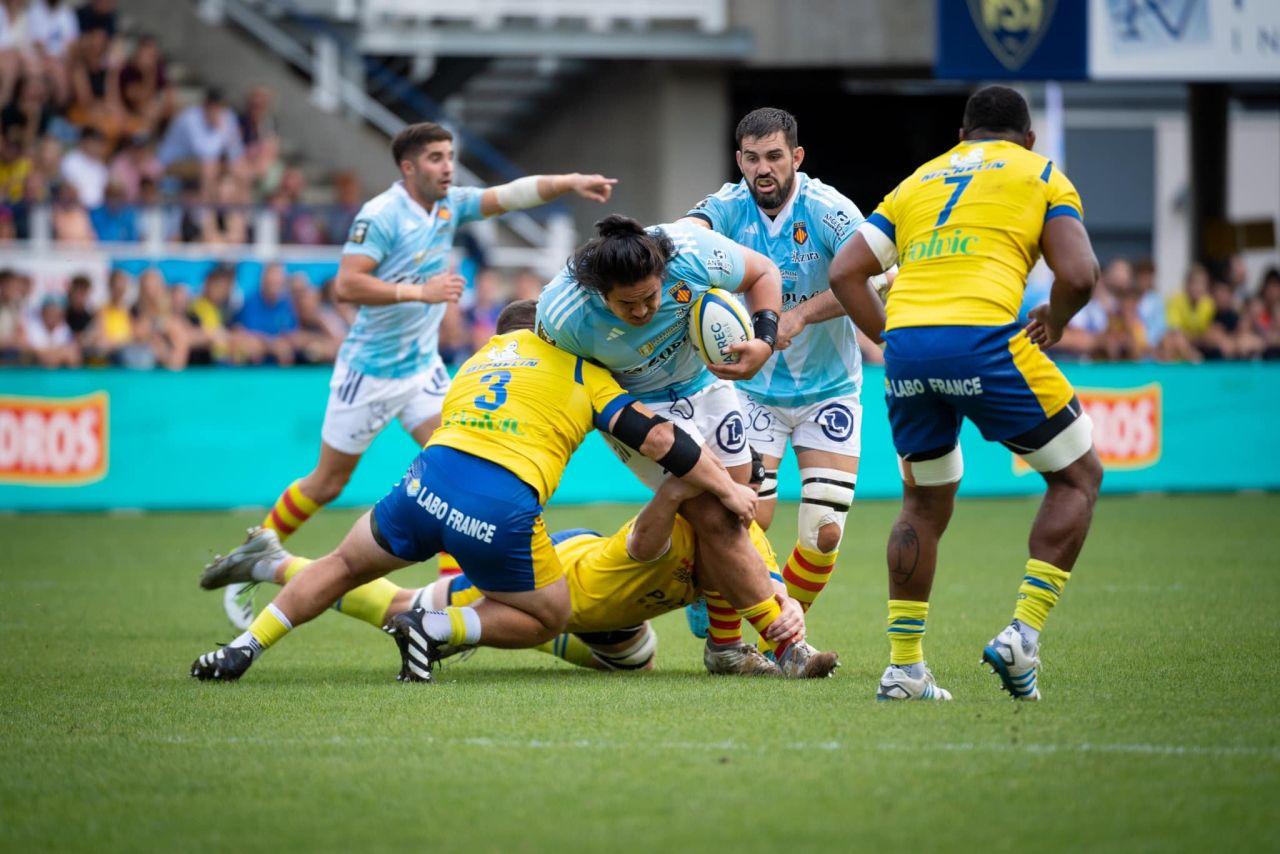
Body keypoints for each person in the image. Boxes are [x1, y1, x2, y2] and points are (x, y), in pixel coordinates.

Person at [189, 299, 759, 682]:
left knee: (342, 564)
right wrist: (730, 493)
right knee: (551, 615)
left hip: (425, 481)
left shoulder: (477, 362)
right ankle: (438, 629)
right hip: (499, 504)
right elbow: (660, 440)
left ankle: (244, 648)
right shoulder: (582, 370)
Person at [217, 121, 618, 629]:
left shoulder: (449, 205)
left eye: (449, 156)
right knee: (327, 482)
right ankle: (258, 547)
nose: (446, 166)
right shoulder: (382, 215)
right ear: (408, 168)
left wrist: (568, 182)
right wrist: (419, 293)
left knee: (455, 470)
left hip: (422, 368)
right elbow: (346, 286)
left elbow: (508, 195)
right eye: (434, 158)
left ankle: (446, 606)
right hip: (369, 371)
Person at [829, 85, 1103, 701]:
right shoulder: (1042, 173)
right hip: (984, 338)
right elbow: (1081, 275)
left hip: (906, 349)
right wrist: (1054, 321)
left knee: (921, 504)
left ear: (961, 137)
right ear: (1027, 138)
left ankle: (903, 669)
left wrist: (894, 338)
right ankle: (1022, 636)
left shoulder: (917, 180)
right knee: (1078, 476)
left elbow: (846, 271)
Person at [534, 216, 828, 676]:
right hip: (634, 407)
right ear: (599, 294)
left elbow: (763, 272)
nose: (642, 312)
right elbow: (555, 376)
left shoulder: (689, 250)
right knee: (712, 511)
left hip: (704, 382)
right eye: (626, 305)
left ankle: (724, 648)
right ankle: (788, 645)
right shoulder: (562, 314)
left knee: (746, 511)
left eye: (651, 297)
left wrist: (765, 340)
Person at [680, 106, 879, 635]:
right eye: (751, 158)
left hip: (830, 388)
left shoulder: (829, 210)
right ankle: (725, 646)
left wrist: (799, 315)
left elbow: (876, 277)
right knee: (745, 518)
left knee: (824, 532)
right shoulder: (728, 206)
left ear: (796, 157)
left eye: (773, 156)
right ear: (739, 159)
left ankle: (780, 634)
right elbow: (684, 236)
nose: (762, 168)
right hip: (753, 391)